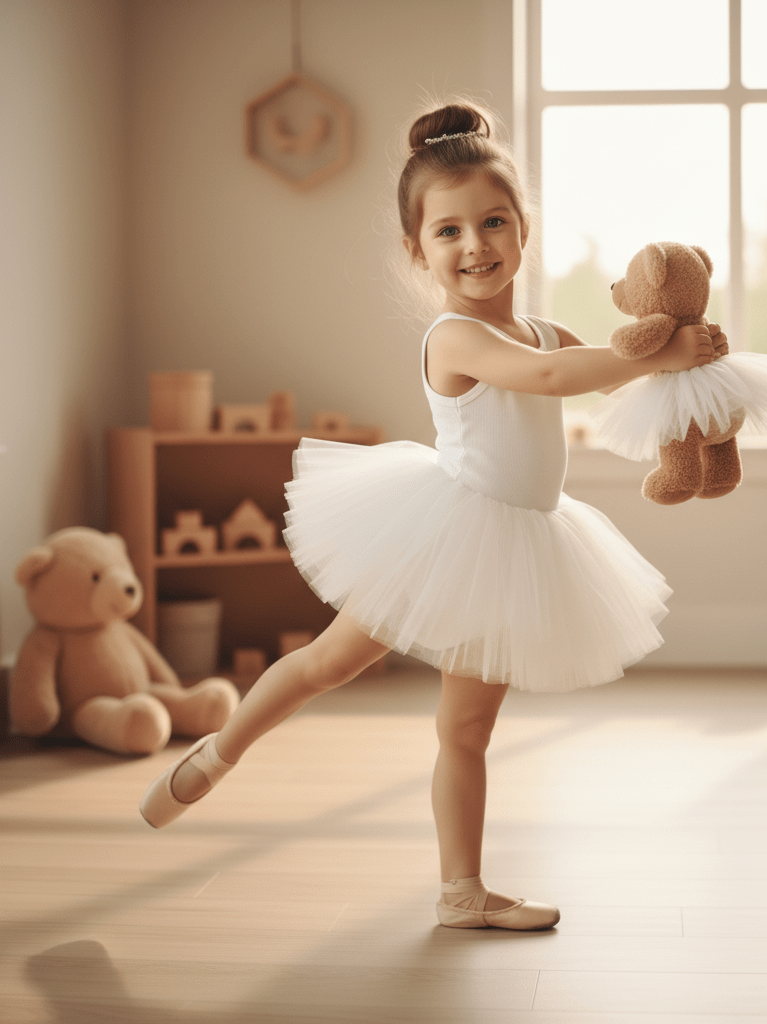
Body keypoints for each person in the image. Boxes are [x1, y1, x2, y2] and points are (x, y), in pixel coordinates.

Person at [139, 101, 729, 931]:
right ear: (417, 251)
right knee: (325, 665)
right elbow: (553, 380)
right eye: (448, 232)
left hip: (514, 546)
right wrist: (662, 353)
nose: (475, 245)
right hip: (443, 534)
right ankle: (219, 751)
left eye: (492, 222)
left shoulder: (540, 326)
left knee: (467, 730)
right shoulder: (453, 338)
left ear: (524, 230)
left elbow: (600, 369)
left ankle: (462, 891)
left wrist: (688, 361)